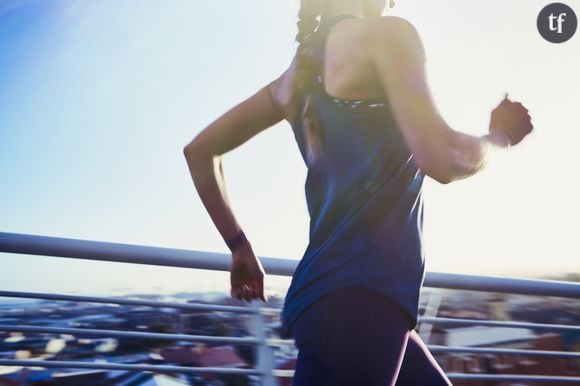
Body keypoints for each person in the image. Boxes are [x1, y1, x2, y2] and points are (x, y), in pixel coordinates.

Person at [183, 0, 533, 384]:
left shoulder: (291, 81)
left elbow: (201, 152)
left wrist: (239, 246)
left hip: (339, 300)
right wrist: (501, 137)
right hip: (364, 301)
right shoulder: (387, 36)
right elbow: (443, 159)